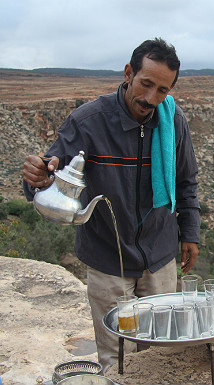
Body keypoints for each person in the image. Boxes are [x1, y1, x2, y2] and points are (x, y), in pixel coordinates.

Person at [22, 38, 200, 372]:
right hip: (108, 259)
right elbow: (51, 174)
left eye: (162, 90)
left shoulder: (173, 122)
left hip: (160, 257)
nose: (151, 99)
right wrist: (39, 180)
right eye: (146, 84)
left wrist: (189, 233)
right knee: (117, 357)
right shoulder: (88, 122)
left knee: (162, 350)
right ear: (129, 73)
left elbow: (187, 181)